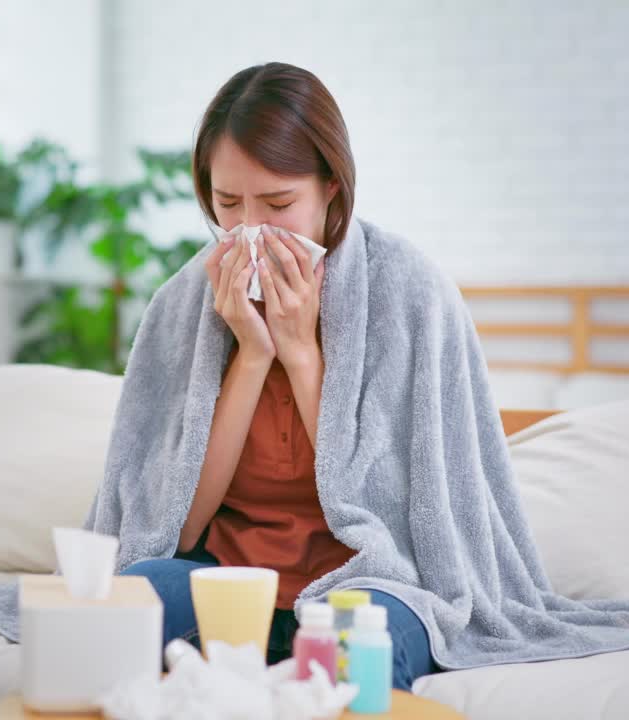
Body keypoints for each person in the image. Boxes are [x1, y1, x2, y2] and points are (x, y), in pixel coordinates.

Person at [119, 61, 441, 691]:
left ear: (332, 191)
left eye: (279, 203)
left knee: (364, 651)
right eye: (228, 204)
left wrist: (302, 356)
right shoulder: (185, 304)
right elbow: (174, 528)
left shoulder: (408, 292)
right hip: (225, 581)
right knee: (125, 608)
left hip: (365, 588)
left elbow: (398, 519)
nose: (251, 230)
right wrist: (254, 353)